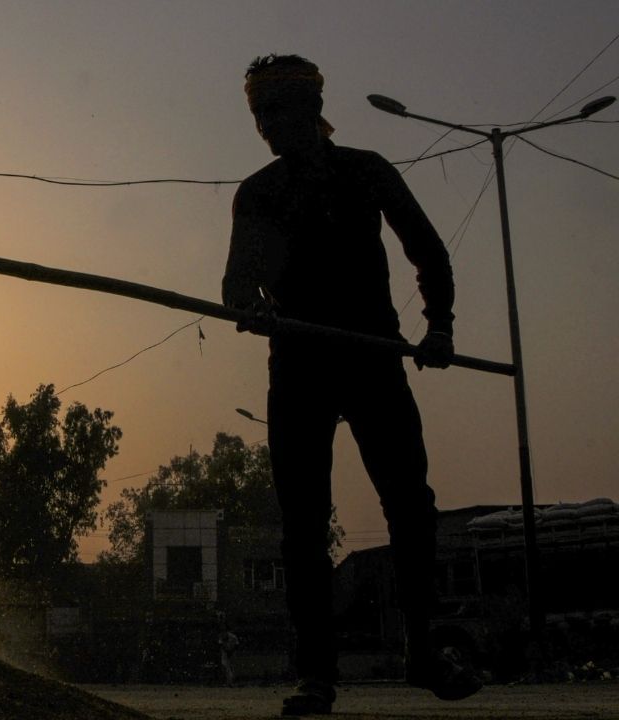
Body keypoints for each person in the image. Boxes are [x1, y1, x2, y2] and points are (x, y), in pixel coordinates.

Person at [221, 54, 482, 716]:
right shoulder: (256, 194)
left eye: (277, 112)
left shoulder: (366, 172)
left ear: (311, 110)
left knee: (410, 506)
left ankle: (422, 652)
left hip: (373, 361)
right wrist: (249, 309)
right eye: (259, 116)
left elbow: (429, 251)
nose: (268, 128)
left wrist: (441, 328)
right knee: (303, 528)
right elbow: (235, 285)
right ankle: (316, 675)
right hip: (300, 366)